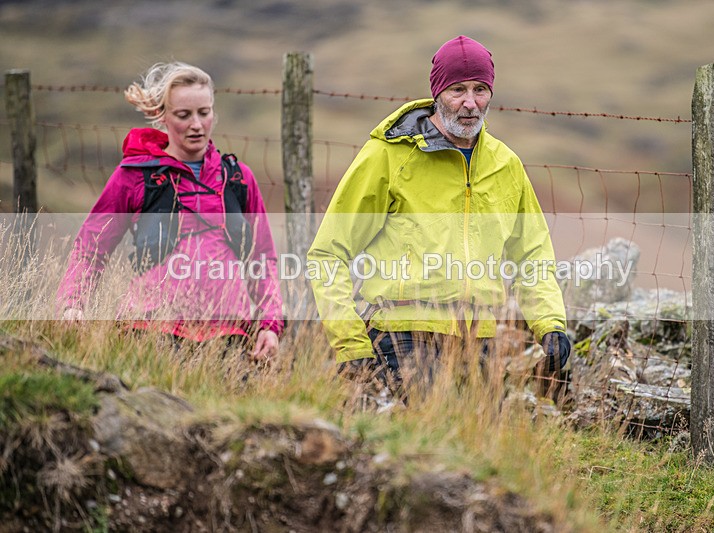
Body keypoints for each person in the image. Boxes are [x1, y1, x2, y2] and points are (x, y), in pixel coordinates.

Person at [307, 36, 570, 391]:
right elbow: (328, 253)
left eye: (480, 89)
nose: (470, 103)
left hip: (479, 343)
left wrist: (550, 324)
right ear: (437, 93)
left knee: (479, 446)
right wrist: (350, 341)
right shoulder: (388, 156)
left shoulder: (506, 165)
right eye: (457, 89)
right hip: (402, 338)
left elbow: (533, 256)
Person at [57, 61, 283, 359]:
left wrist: (269, 324)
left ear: (214, 113)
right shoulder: (135, 176)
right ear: (162, 116)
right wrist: (73, 304)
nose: (197, 124)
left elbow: (262, 257)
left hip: (228, 339)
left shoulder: (239, 178)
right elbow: (91, 247)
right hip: (149, 332)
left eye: (204, 113)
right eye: (183, 115)